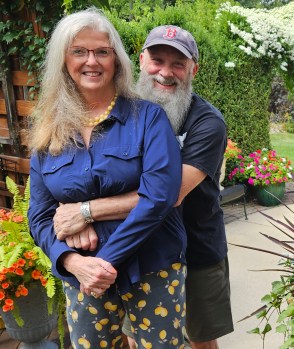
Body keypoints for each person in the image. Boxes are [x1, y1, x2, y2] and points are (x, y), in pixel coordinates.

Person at [52, 24, 232, 349]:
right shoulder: (117, 111)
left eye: (178, 63)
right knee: (134, 334)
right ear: (140, 59)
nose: (165, 72)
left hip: (197, 246)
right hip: (137, 247)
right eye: (157, 60)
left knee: (200, 337)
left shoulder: (208, 123)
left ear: (194, 69)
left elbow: (170, 194)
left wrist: (85, 212)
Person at [27, 9, 187, 349]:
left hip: (152, 267)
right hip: (82, 276)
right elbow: (39, 216)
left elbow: (159, 196)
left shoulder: (148, 119)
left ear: (116, 59)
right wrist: (72, 263)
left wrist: (104, 261)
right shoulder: (48, 131)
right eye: (79, 51)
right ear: (63, 61)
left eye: (102, 51)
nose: (92, 61)